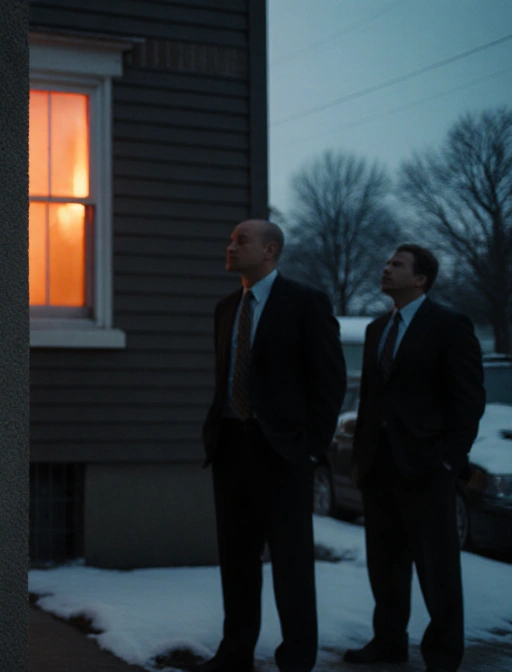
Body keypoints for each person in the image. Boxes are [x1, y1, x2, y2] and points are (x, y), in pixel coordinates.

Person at [198, 219, 346, 672]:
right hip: (231, 448)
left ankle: (296, 659)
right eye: (230, 238)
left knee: (292, 565)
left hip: (283, 453)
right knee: (237, 561)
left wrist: (310, 449)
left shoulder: (304, 303)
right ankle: (235, 651)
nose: (230, 246)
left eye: (240, 240)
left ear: (270, 251)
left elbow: (330, 381)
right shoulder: (226, 308)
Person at [345, 244, 483, 672]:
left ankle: (442, 652)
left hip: (426, 467)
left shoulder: (449, 325)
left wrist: (447, 462)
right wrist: (360, 454)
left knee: (437, 567)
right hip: (378, 466)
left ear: (421, 278)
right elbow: (370, 399)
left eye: (396, 265)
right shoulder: (376, 329)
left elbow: (468, 401)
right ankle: (388, 642)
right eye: (386, 263)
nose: (386, 269)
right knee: (385, 565)